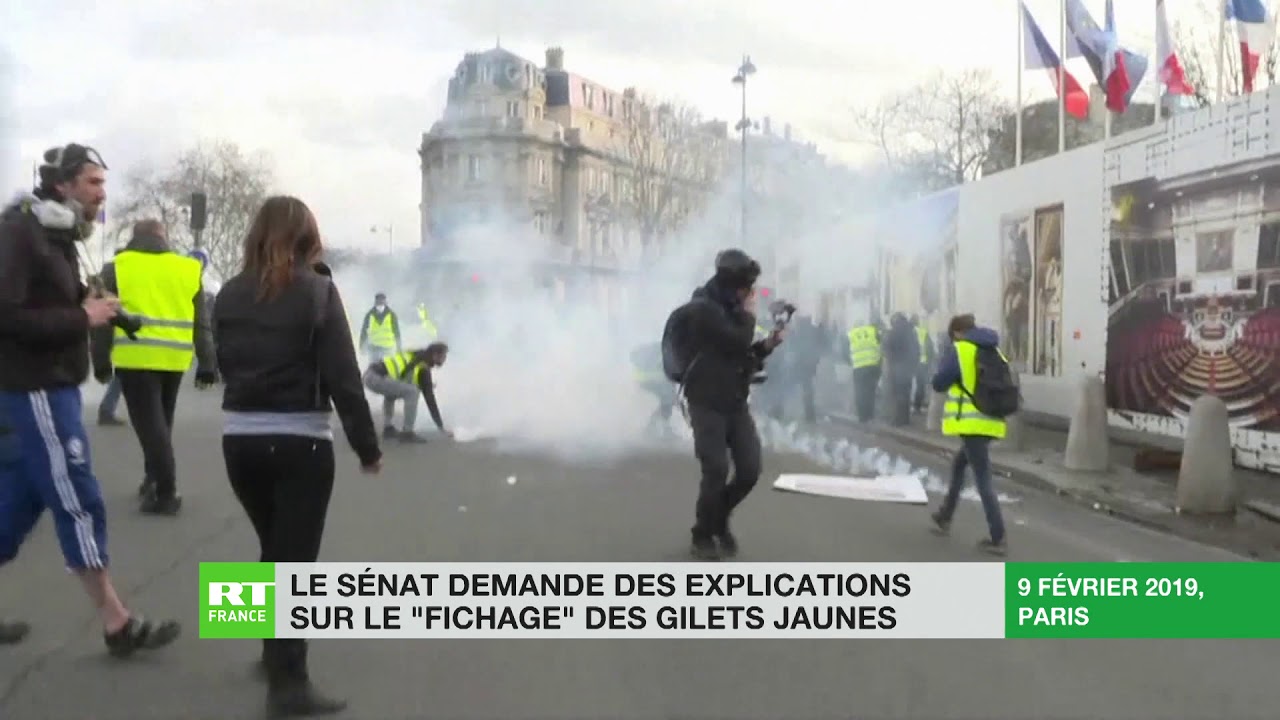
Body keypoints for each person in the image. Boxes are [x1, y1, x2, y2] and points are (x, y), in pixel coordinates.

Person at [0, 142, 181, 653]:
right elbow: (6, 315)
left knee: (17, 504)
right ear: (63, 185)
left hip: (47, 385)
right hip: (35, 389)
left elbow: (40, 299)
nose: (104, 193)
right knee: (78, 498)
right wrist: (84, 319)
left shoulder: (57, 235)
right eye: (94, 183)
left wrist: (85, 301)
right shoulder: (19, 232)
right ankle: (117, 622)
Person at [214, 195, 383, 717]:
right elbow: (343, 378)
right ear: (309, 237)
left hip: (239, 441)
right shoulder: (318, 292)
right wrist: (367, 448)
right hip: (300, 443)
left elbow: (223, 362)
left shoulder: (227, 294)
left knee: (271, 550)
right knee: (295, 566)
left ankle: (267, 654)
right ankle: (288, 685)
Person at [90, 219, 217, 515]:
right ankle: (152, 477)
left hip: (136, 358)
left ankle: (166, 492)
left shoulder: (117, 267)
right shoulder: (187, 268)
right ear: (164, 237)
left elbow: (103, 320)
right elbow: (202, 322)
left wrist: (100, 361)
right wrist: (207, 363)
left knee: (150, 427)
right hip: (174, 360)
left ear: (135, 238)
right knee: (162, 423)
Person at [680, 249, 783, 560]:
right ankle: (702, 534)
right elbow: (733, 340)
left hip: (735, 401)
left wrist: (767, 346)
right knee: (716, 468)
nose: (749, 292)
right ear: (731, 282)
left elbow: (741, 354)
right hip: (705, 401)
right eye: (746, 286)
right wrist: (751, 315)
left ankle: (718, 518)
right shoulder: (703, 308)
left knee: (750, 469)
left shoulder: (732, 306)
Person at [928, 313, 1008, 556]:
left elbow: (939, 382)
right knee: (960, 465)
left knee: (982, 479)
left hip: (973, 423)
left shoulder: (961, 350)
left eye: (953, 336)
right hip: (992, 420)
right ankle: (945, 516)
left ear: (959, 332)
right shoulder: (995, 351)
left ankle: (998, 537)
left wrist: (944, 364)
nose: (953, 341)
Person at [362, 343, 453, 443]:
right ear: (435, 355)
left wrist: (426, 384)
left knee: (395, 390)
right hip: (376, 379)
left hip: (370, 375)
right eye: (443, 356)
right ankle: (407, 433)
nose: (445, 359)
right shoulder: (423, 367)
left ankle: (388, 429)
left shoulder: (416, 356)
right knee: (413, 392)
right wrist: (441, 427)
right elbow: (430, 400)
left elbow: (405, 374)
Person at [630, 342, 676, 437]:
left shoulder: (663, 347)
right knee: (667, 402)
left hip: (644, 379)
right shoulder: (671, 352)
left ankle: (654, 428)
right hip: (653, 379)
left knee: (667, 402)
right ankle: (659, 429)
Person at [882, 312, 920, 427]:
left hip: (896, 366)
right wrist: (913, 366)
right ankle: (905, 419)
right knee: (906, 393)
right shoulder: (911, 332)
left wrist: (890, 363)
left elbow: (887, 349)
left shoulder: (892, 333)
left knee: (896, 393)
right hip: (908, 367)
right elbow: (917, 350)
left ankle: (897, 419)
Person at [846, 316, 882, 422]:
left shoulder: (850, 334)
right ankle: (870, 414)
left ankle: (862, 416)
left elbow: (844, 351)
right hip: (873, 365)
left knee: (860, 392)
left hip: (858, 367)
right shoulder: (872, 331)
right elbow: (881, 345)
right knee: (871, 390)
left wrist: (850, 361)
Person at [358, 292, 401, 362]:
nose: (380, 305)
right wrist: (361, 347)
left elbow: (397, 332)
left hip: (388, 349)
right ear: (375, 303)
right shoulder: (369, 315)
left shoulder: (392, 315)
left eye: (382, 302)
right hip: (374, 349)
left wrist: (399, 348)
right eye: (378, 302)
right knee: (375, 370)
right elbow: (364, 332)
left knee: (387, 370)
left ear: (385, 302)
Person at [911, 313, 935, 414]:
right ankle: (918, 406)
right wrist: (930, 361)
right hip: (922, 363)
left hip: (910, 363)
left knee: (909, 384)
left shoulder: (908, 332)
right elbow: (930, 348)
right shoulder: (923, 332)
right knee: (921, 385)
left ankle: (912, 405)